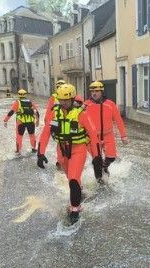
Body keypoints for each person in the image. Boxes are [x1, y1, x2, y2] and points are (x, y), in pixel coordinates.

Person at [37, 84, 102, 224]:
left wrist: (96, 156)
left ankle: (75, 209)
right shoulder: (55, 113)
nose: (63, 103)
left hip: (78, 150)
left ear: (72, 99)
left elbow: (93, 134)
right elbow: (45, 134)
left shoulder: (81, 114)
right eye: (61, 100)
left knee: (73, 178)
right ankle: (80, 191)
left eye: (66, 100)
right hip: (62, 151)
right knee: (71, 179)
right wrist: (40, 153)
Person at [84, 81, 128, 184]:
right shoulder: (86, 105)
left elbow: (118, 120)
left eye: (96, 91)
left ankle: (104, 167)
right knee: (96, 160)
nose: (94, 93)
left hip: (108, 135)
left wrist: (123, 135)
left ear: (102, 92)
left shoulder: (110, 104)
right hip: (92, 137)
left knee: (111, 157)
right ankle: (99, 181)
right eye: (92, 91)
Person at [3, 89, 40, 154]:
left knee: (19, 136)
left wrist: (5, 120)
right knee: (32, 135)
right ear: (25, 94)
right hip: (31, 122)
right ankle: (33, 149)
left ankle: (18, 151)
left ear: (18, 95)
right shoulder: (31, 102)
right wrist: (37, 121)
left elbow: (11, 112)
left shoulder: (17, 102)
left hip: (20, 122)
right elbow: (36, 112)